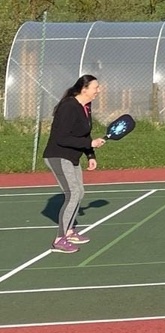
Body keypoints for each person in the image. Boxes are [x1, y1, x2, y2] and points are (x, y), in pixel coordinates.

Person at [43, 75, 106, 253]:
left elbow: (83, 135)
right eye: (96, 87)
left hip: (73, 157)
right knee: (73, 193)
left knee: (79, 193)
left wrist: (90, 154)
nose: (98, 90)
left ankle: (70, 231)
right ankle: (59, 240)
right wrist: (90, 144)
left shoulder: (86, 107)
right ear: (84, 89)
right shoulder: (69, 106)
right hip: (58, 156)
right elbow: (62, 137)